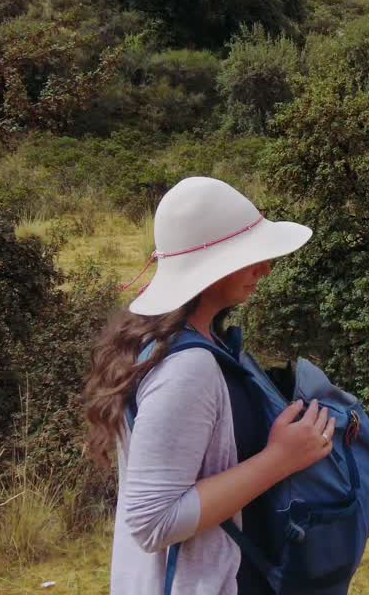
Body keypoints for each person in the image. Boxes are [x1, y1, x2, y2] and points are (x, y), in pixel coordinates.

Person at [84, 176, 332, 594]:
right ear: (213, 263)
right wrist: (281, 458)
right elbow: (154, 521)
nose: (266, 269)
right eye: (252, 256)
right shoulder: (188, 367)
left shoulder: (178, 343)